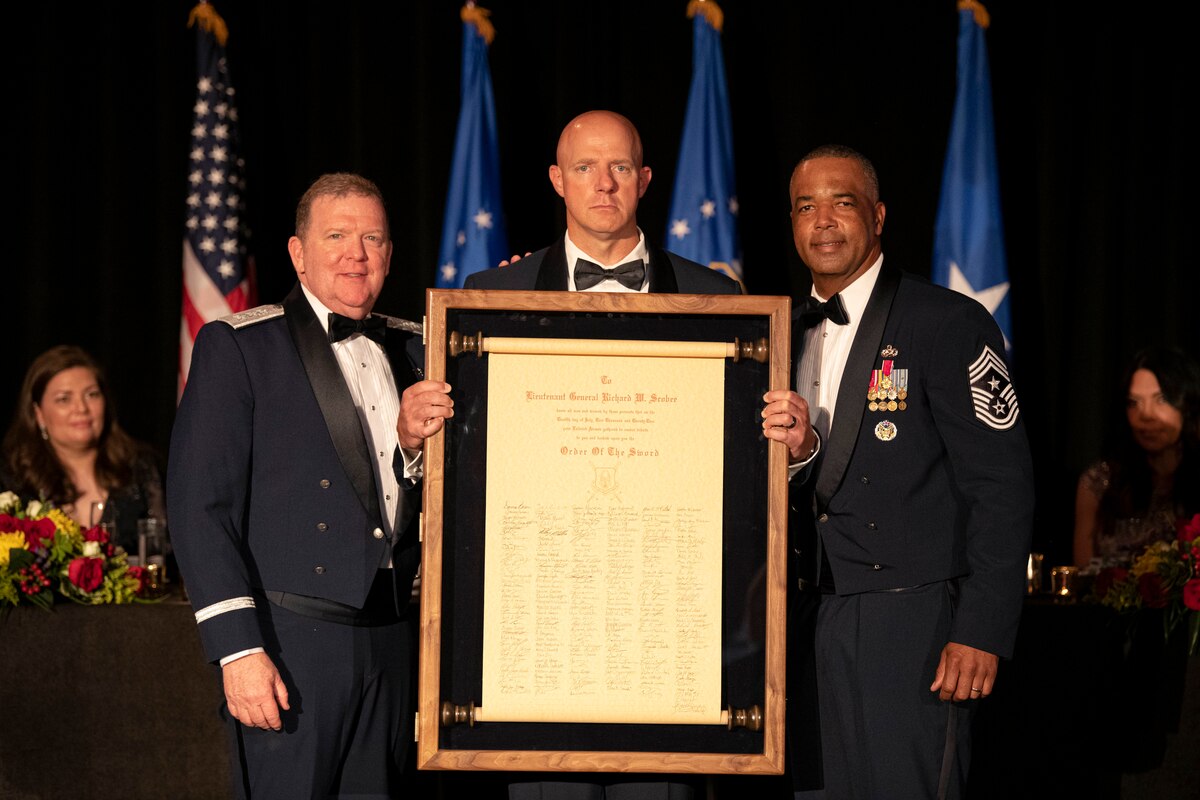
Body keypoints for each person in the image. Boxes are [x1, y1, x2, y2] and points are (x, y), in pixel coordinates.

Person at [400, 110, 743, 800]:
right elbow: (465, 469)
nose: (604, 184)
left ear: (645, 179)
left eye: (620, 167)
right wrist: (415, 434)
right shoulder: (489, 296)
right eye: (585, 168)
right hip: (537, 617)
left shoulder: (722, 298)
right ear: (557, 180)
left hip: (669, 615)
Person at [759, 144, 1034, 798]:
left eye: (842, 202)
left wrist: (980, 629)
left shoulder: (948, 322)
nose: (822, 220)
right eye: (805, 206)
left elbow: (1003, 484)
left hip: (911, 625)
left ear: (878, 216)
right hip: (801, 622)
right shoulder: (775, 331)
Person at [167, 173, 424, 799]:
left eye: (372, 237)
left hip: (396, 644)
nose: (355, 254)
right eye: (336, 235)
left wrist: (411, 450)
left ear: (390, 253)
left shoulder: (421, 346)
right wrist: (238, 651)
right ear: (297, 252)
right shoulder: (240, 346)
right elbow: (200, 508)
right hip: (289, 649)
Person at [2, 344, 165, 554]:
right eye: (64, 399)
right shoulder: (12, 480)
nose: (81, 408)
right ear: (38, 414)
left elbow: (170, 552)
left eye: (92, 395)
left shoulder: (141, 468)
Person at [1073, 345, 1200, 568]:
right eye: (1134, 403)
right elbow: (1083, 573)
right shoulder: (1099, 482)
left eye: (1160, 399)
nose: (1146, 415)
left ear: (1186, 403)